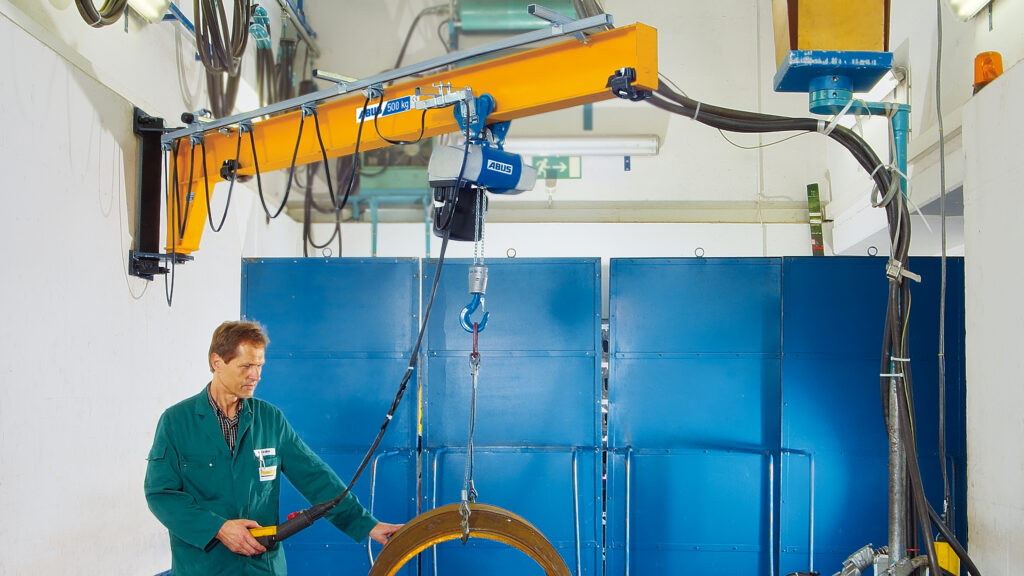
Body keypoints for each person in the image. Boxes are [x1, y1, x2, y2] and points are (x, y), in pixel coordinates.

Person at [145, 320, 402, 575]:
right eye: (246, 366)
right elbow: (160, 493)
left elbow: (316, 477)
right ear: (217, 362)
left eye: (259, 366)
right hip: (204, 567)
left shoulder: (270, 419)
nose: (256, 375)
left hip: (261, 566)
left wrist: (367, 525)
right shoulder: (176, 422)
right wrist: (218, 528)